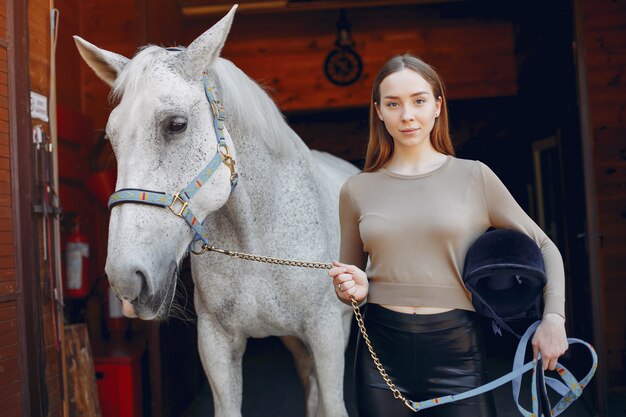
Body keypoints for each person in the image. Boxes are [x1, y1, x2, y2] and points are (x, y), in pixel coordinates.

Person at [328, 54, 568, 417]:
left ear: (438, 106)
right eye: (393, 103)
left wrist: (554, 319)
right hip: (380, 356)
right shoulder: (356, 189)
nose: (407, 114)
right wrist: (352, 289)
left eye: (419, 100)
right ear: (378, 111)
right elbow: (348, 286)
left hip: (457, 353)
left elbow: (544, 246)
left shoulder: (475, 177)